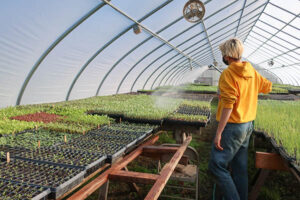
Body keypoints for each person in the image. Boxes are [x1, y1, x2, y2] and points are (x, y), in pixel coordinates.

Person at [209, 38, 272, 200]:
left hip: (233, 127)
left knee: (216, 165)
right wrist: (248, 92)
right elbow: (267, 87)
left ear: (228, 56)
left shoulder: (228, 73)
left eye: (223, 54)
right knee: (239, 168)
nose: (223, 57)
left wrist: (219, 132)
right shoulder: (251, 70)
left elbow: (229, 106)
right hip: (248, 125)